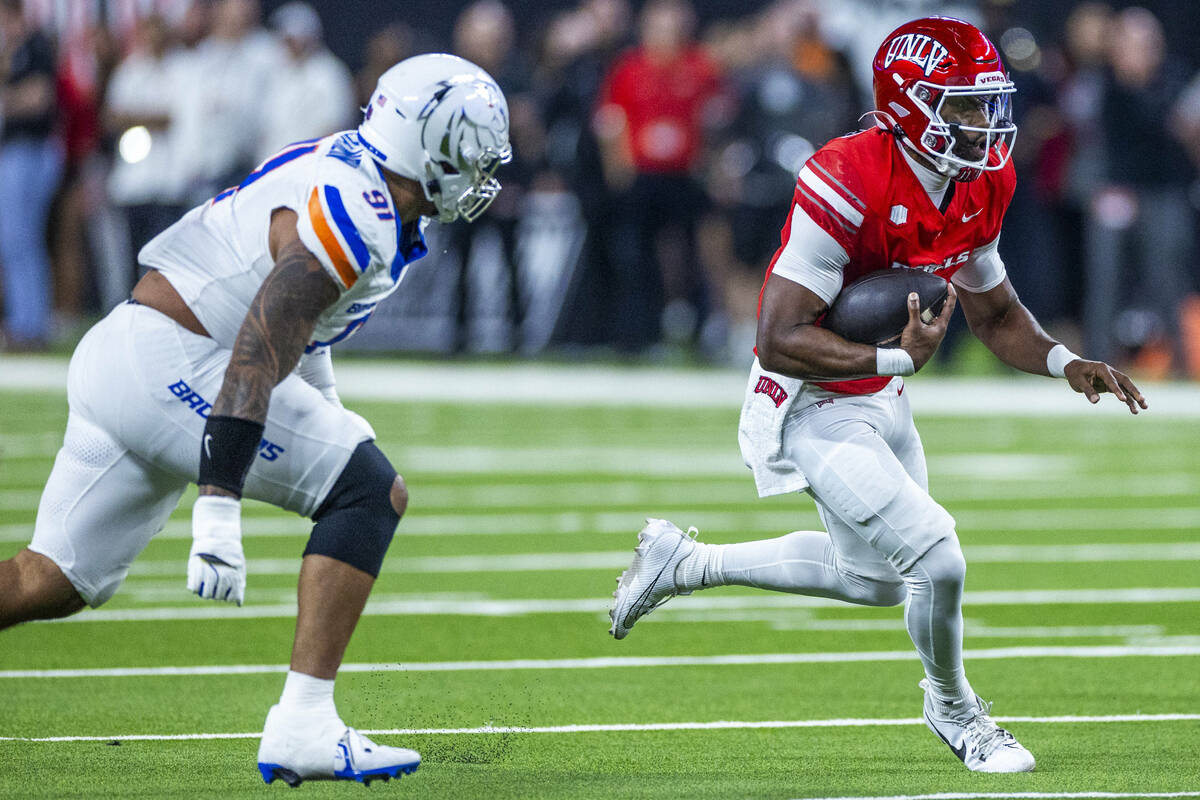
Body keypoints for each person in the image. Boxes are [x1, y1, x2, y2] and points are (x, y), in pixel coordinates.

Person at [609, 17, 1145, 775]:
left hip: (881, 387)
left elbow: (992, 310)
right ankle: (956, 709)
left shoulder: (982, 178)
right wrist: (892, 353)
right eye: (960, 106)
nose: (983, 123)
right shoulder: (848, 174)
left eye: (988, 103)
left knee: (874, 580)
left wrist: (1064, 360)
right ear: (907, 104)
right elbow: (777, 335)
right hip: (811, 395)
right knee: (939, 558)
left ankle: (682, 563)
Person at [0, 53, 511, 786]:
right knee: (368, 489)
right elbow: (260, 342)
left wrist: (326, 414)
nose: (481, 170)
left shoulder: (360, 180)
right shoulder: (359, 218)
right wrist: (218, 508)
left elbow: (301, 330)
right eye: (470, 150)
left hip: (129, 351)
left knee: (45, 580)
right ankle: (304, 723)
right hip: (174, 359)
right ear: (426, 142)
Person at [0, 0, 62, 350]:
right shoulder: (12, 50)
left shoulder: (35, 45)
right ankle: (22, 320)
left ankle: (32, 325)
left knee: (22, 240)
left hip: (31, 152)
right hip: (14, 153)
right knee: (13, 241)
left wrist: (6, 98)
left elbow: (40, 98)